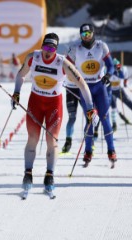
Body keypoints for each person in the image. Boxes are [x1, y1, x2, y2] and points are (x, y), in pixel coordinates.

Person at [12, 33, 95, 192]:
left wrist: (90, 107)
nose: (47, 51)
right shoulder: (33, 57)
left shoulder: (62, 63)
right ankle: (28, 174)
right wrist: (16, 93)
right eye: (45, 47)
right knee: (33, 138)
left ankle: (49, 175)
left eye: (51, 48)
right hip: (35, 102)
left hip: (54, 105)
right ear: (42, 46)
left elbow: (82, 84)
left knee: (52, 141)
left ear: (56, 50)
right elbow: (21, 75)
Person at [66, 23, 116, 167]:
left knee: (104, 118)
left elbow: (111, 65)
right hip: (85, 88)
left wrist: (108, 75)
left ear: (93, 33)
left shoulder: (101, 46)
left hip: (100, 86)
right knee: (90, 119)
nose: (86, 37)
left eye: (88, 34)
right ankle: (88, 151)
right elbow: (65, 66)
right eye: (83, 35)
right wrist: (69, 76)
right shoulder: (76, 48)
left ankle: (111, 150)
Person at [108, 58, 132, 129]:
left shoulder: (121, 69)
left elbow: (124, 76)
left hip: (119, 90)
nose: (116, 67)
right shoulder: (109, 69)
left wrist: (119, 71)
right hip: (111, 90)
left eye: (117, 66)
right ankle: (114, 124)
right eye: (115, 66)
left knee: (128, 102)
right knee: (113, 106)